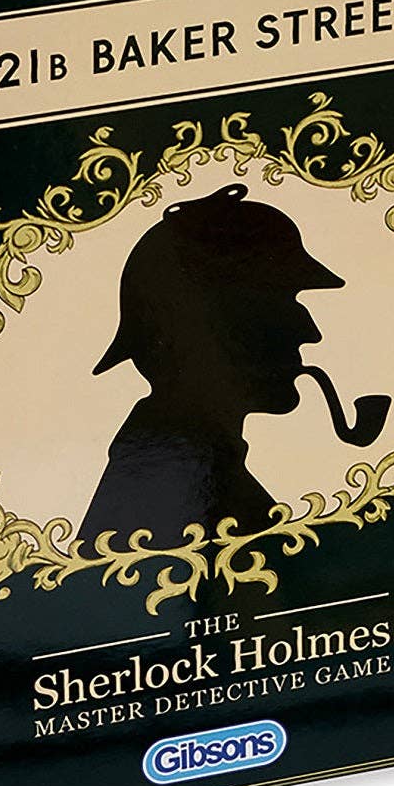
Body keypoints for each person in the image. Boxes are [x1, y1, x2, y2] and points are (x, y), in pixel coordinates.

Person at [80, 184, 345, 544]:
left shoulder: (185, 464)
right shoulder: (169, 477)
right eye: (280, 303)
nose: (309, 333)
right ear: (206, 327)